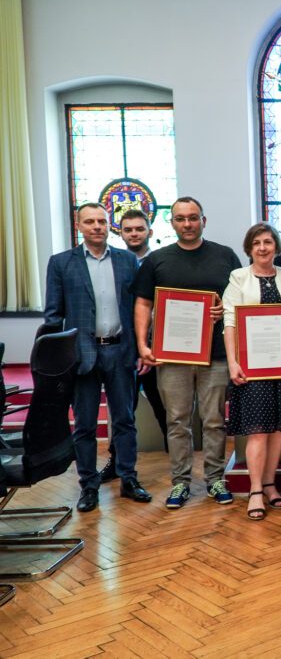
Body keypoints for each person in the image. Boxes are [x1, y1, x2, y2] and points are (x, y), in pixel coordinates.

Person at [133, 196, 242, 509]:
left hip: (216, 355)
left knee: (214, 421)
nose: (187, 224)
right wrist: (143, 344)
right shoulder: (157, 260)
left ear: (203, 221)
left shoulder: (224, 256)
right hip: (173, 357)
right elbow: (143, 303)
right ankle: (180, 483)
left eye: (193, 218)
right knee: (177, 421)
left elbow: (238, 300)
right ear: (172, 223)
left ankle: (215, 479)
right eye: (180, 219)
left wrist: (224, 309)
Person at [43, 203, 151, 512]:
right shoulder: (62, 263)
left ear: (109, 226)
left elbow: (140, 309)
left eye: (102, 221)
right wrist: (58, 360)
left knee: (125, 421)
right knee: (86, 425)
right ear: (78, 226)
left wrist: (142, 347)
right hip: (81, 356)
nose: (97, 227)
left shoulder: (128, 261)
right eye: (89, 222)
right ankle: (88, 486)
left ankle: (129, 478)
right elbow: (53, 316)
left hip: (121, 351)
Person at [223, 223, 281, 520]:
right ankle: (255, 489)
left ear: (276, 247)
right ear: (249, 248)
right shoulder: (238, 278)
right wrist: (233, 363)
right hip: (251, 369)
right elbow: (230, 323)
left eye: (268, 242)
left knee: (278, 430)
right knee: (258, 431)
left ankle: (271, 484)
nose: (262, 248)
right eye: (257, 243)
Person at [99, 208, 168, 484]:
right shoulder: (115, 263)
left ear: (149, 231)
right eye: (128, 229)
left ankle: (179, 466)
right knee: (122, 410)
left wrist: (151, 345)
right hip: (124, 350)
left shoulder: (162, 261)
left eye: (139, 228)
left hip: (159, 350)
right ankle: (117, 462)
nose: (134, 234)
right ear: (120, 232)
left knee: (165, 408)